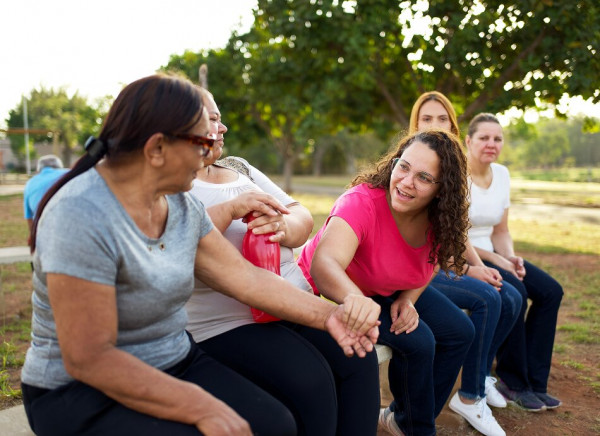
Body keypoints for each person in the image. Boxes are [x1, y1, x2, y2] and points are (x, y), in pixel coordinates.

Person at [20, 74, 380, 436]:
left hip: (172, 359)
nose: (209, 152)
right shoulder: (81, 214)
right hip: (80, 392)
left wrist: (333, 316)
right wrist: (200, 406)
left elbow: (246, 279)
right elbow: (90, 358)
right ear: (156, 148)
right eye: (200, 141)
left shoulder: (179, 203)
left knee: (274, 425)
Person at [185, 91, 381, 436]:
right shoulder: (177, 185)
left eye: (220, 117)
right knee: (312, 380)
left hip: (292, 300)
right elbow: (183, 241)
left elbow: (302, 216)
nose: (223, 127)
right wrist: (231, 208)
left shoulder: (238, 167)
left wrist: (283, 226)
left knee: (359, 357)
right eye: (213, 120)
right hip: (232, 322)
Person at [298, 129, 475, 436]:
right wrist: (360, 304)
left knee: (460, 331)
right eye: (403, 166)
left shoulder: (440, 219)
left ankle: (406, 420)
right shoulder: (362, 202)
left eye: (423, 177)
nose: (406, 182)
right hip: (334, 290)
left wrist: (409, 299)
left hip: (383, 287)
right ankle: (419, 429)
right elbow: (324, 266)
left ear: (441, 189)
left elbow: (431, 262)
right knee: (420, 341)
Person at [409, 92, 523, 435]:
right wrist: (466, 268)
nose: (435, 125)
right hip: (413, 266)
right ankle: (470, 395)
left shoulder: (451, 165)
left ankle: (480, 376)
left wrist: (476, 264)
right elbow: (420, 237)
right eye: (427, 119)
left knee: (511, 297)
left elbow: (457, 229)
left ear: (453, 126)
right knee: (488, 298)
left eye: (442, 119)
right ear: (414, 124)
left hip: (436, 261)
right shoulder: (408, 164)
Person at [465, 112, 564, 411]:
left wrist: (511, 257)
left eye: (497, 138)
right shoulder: (457, 175)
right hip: (469, 256)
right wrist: (497, 260)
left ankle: (536, 381)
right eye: (484, 138)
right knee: (517, 294)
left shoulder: (503, 174)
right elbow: (456, 235)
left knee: (550, 291)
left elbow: (501, 230)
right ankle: (512, 380)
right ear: (468, 141)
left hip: (497, 253)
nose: (491, 144)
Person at [23, 154, 68, 239]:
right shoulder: (68, 173)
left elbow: (29, 217)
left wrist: (33, 237)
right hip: (71, 224)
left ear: (39, 170)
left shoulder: (30, 183)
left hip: (44, 230)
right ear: (60, 167)